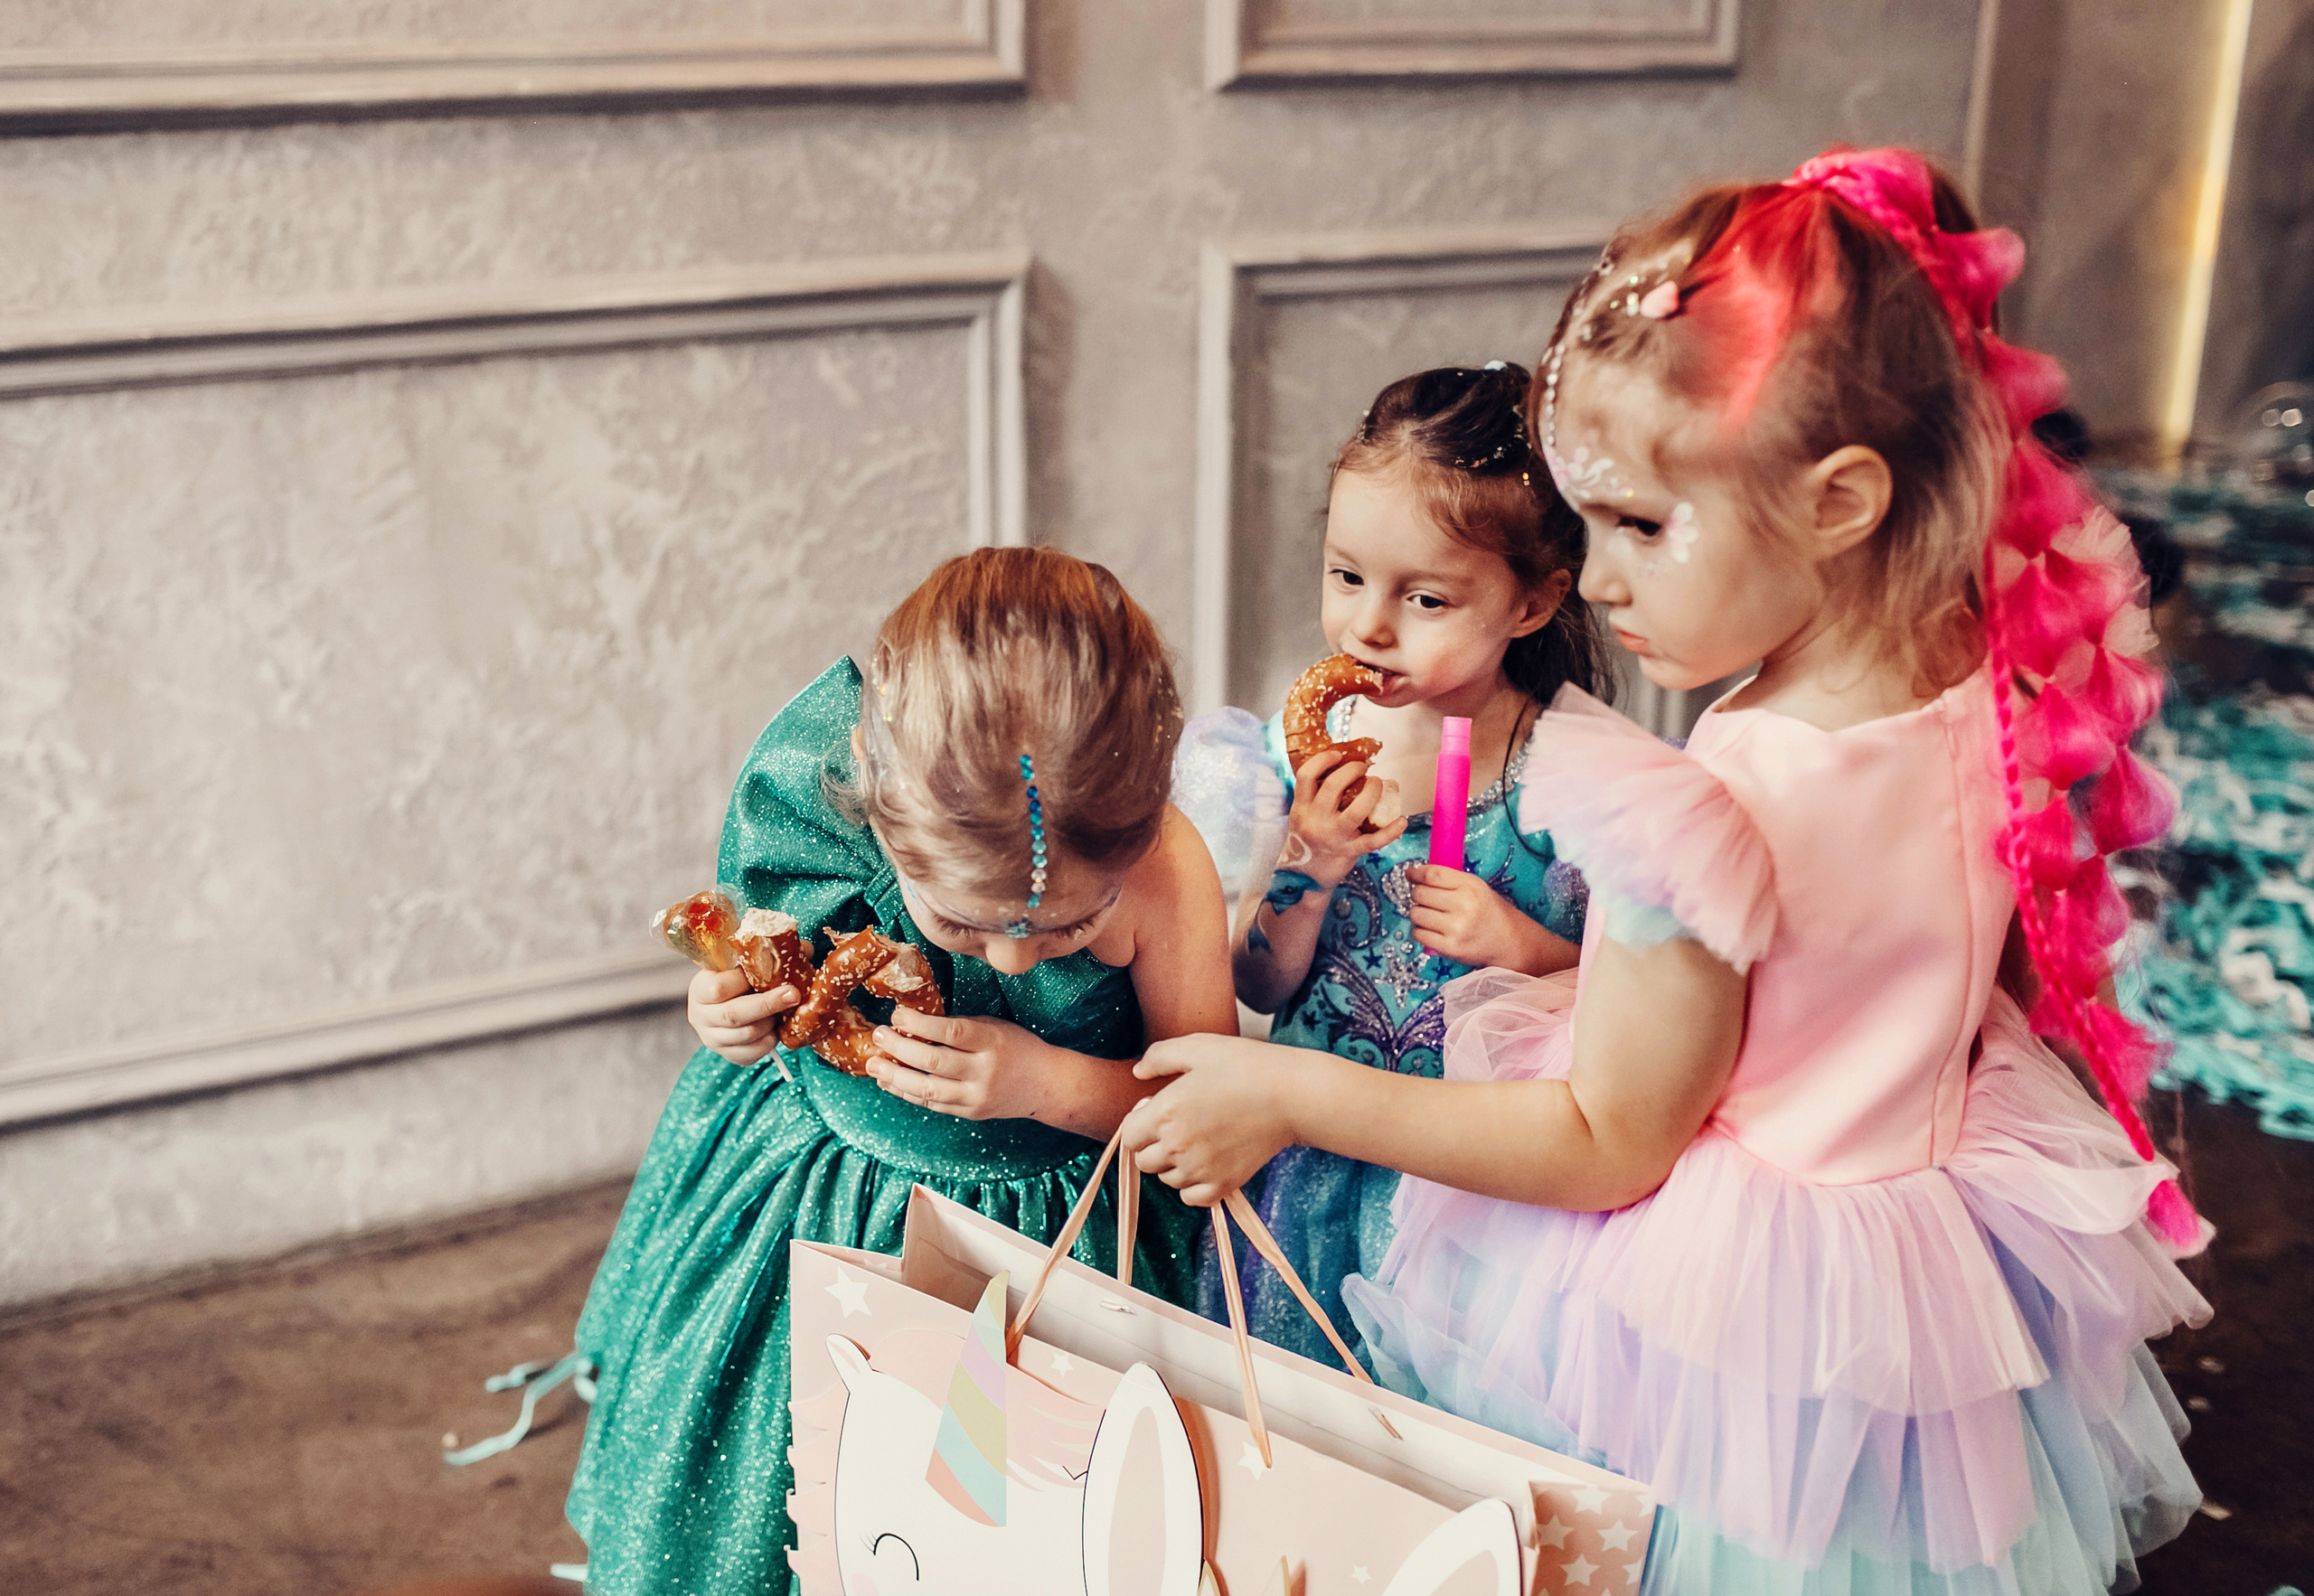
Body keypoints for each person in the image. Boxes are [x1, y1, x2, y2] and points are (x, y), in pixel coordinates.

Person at [1123, 149, 2211, 1592]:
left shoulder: (1698, 806)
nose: (1606, 573)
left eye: (1641, 523)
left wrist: (1284, 1088)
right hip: (1920, 1276)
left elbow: (1607, 1137)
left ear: (1840, 501)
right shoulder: (1989, 671)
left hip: (1718, 1330)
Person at [565, 548, 1236, 1593]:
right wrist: (726, 1012)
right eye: (965, 922)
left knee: (986, 1518)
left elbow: (1209, 1107)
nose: (1011, 957)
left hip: (1051, 1245)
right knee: (777, 1467)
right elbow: (757, 966)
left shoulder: (1167, 874)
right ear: (877, 807)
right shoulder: (840, 828)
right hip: (813, 1199)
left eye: (1069, 928)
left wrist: (1047, 1083)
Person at [1177, 362, 1607, 1369]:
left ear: (1532, 604)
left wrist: (1523, 945)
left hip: (1473, 1194)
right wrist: (1312, 864)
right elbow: (1255, 979)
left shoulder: (1573, 783)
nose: (1368, 625)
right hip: (1303, 1172)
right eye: (1344, 576)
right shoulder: (1308, 752)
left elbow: (1630, 1010)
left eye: (1423, 596)